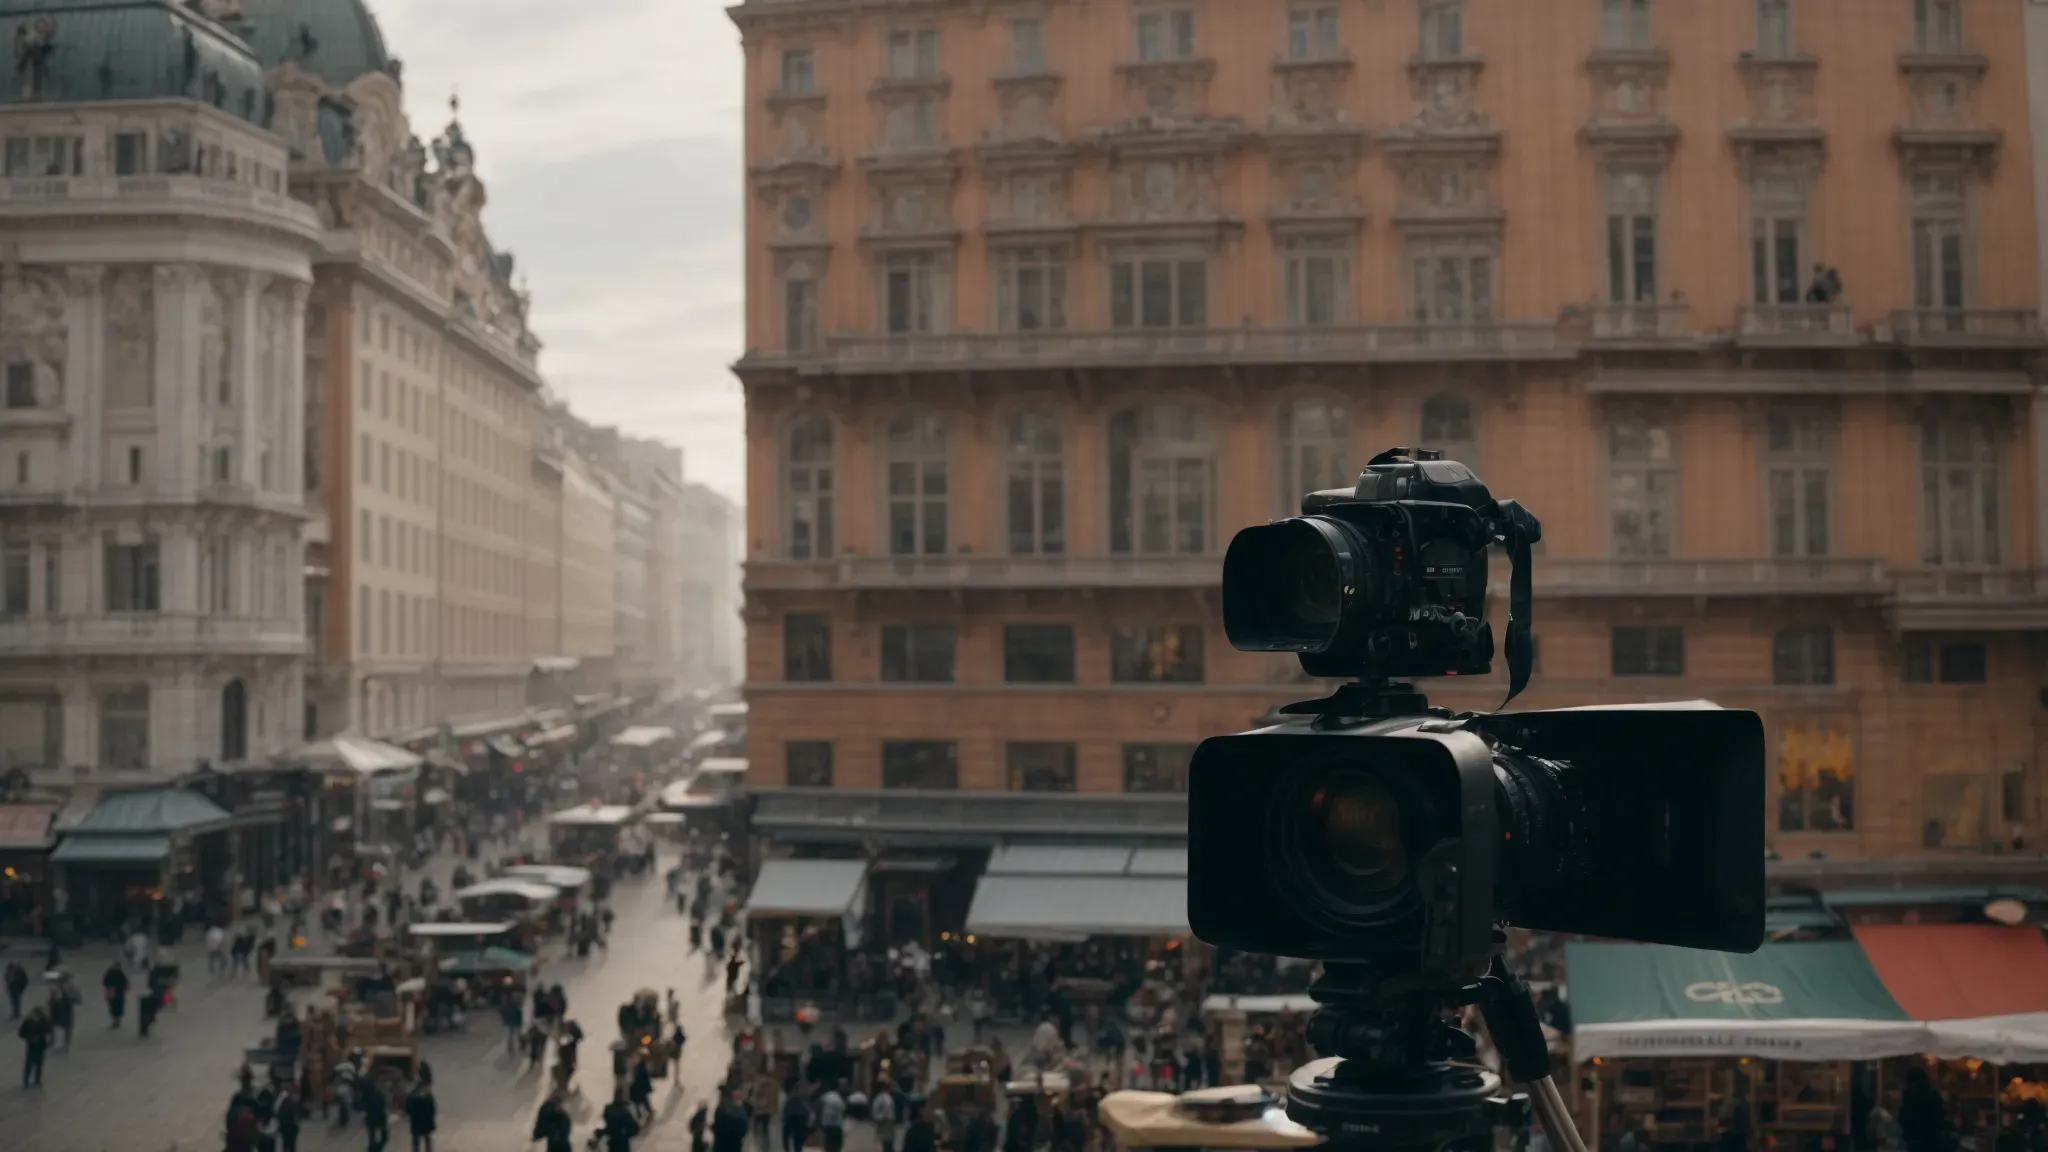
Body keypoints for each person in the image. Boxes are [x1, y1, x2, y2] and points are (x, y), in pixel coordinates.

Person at [1899, 1066, 1949, 1152]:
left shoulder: (1909, 1097)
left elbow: (1904, 1118)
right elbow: (1940, 1116)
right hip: (1932, 1139)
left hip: (1915, 1140)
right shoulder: (1932, 1096)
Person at [17, 1005, 50, 1087]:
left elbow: (48, 1030)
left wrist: (46, 1039)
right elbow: (21, 1033)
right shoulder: (28, 1022)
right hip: (32, 1045)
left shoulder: (44, 1020)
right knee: (29, 1063)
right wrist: (30, 1038)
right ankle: (26, 1081)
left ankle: (37, 1080)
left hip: (41, 1045)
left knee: (39, 1063)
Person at [601, 1088, 641, 1152]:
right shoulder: (624, 1111)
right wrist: (628, 1134)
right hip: (622, 1142)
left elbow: (605, 1119)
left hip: (612, 1141)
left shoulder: (608, 1108)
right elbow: (633, 1128)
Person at [404, 1081, 437, 1152]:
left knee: (416, 1141)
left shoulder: (412, 1096)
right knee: (426, 1140)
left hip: (416, 1122)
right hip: (425, 1122)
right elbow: (432, 1109)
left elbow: (408, 1108)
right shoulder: (427, 1096)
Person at [750, 1072, 779, 1152]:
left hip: (762, 1111)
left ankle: (762, 1147)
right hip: (762, 1111)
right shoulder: (768, 1085)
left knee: (762, 1130)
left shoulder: (763, 1086)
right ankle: (761, 1146)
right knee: (762, 1130)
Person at [361, 1075, 390, 1152]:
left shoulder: (369, 1095)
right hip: (378, 1118)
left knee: (374, 1137)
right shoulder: (376, 1094)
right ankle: (375, 1149)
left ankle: (374, 1149)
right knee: (381, 1137)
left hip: (373, 1118)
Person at [780, 1083, 811, 1152]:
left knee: (790, 1138)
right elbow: (807, 1110)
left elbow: (785, 1110)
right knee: (796, 1139)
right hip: (797, 1117)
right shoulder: (800, 1097)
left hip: (793, 1117)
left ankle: (789, 1149)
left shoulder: (791, 1097)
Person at [820, 1078, 848, 1152]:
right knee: (834, 1146)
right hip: (834, 1126)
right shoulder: (834, 1097)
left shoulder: (828, 1097)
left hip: (832, 1125)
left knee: (831, 1146)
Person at [870, 1076, 897, 1152]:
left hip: (890, 1121)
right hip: (884, 1121)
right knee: (884, 1140)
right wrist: (880, 1118)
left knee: (889, 1140)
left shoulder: (889, 1097)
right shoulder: (880, 1098)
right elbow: (875, 1110)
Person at [276, 1083, 304, 1152]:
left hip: (287, 1127)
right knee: (290, 1145)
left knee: (288, 1145)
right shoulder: (291, 1102)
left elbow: (279, 1114)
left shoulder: (286, 1102)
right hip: (289, 1127)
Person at [629, 1051, 655, 1123]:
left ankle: (641, 1112)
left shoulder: (639, 1066)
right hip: (640, 1087)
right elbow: (644, 1078)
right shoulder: (641, 1067)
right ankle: (646, 1111)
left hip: (637, 1087)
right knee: (643, 1100)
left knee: (638, 1101)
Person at [102, 959, 129, 1027]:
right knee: (118, 1006)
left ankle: (115, 1020)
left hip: (111, 992)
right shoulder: (121, 973)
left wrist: (108, 988)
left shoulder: (109, 972)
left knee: (113, 1006)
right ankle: (117, 1020)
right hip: (119, 993)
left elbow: (105, 982)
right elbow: (125, 983)